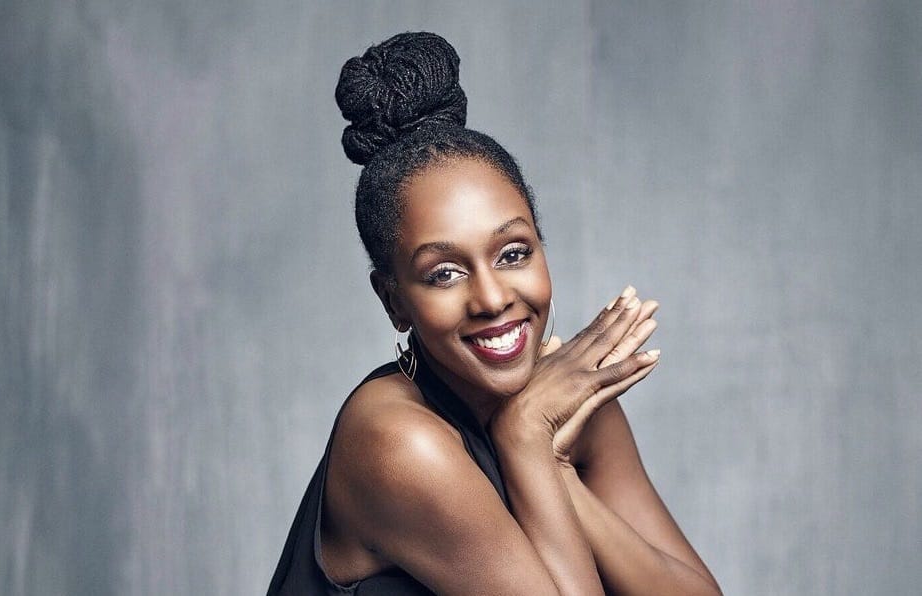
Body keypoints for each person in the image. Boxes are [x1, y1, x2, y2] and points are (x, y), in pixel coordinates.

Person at [267, 31, 721, 596]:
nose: (492, 298)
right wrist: (526, 439)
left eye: (512, 254)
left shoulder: (564, 402)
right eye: (444, 273)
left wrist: (555, 470)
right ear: (394, 302)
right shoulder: (398, 443)